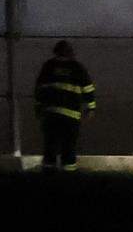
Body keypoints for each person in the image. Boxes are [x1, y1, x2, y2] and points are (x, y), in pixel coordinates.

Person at [35, 40, 96, 172]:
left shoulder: (48, 66)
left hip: (51, 114)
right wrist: (91, 108)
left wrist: (38, 108)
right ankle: (68, 173)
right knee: (69, 145)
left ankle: (48, 173)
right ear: (70, 53)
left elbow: (39, 89)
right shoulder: (77, 68)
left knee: (50, 144)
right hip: (71, 114)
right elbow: (88, 89)